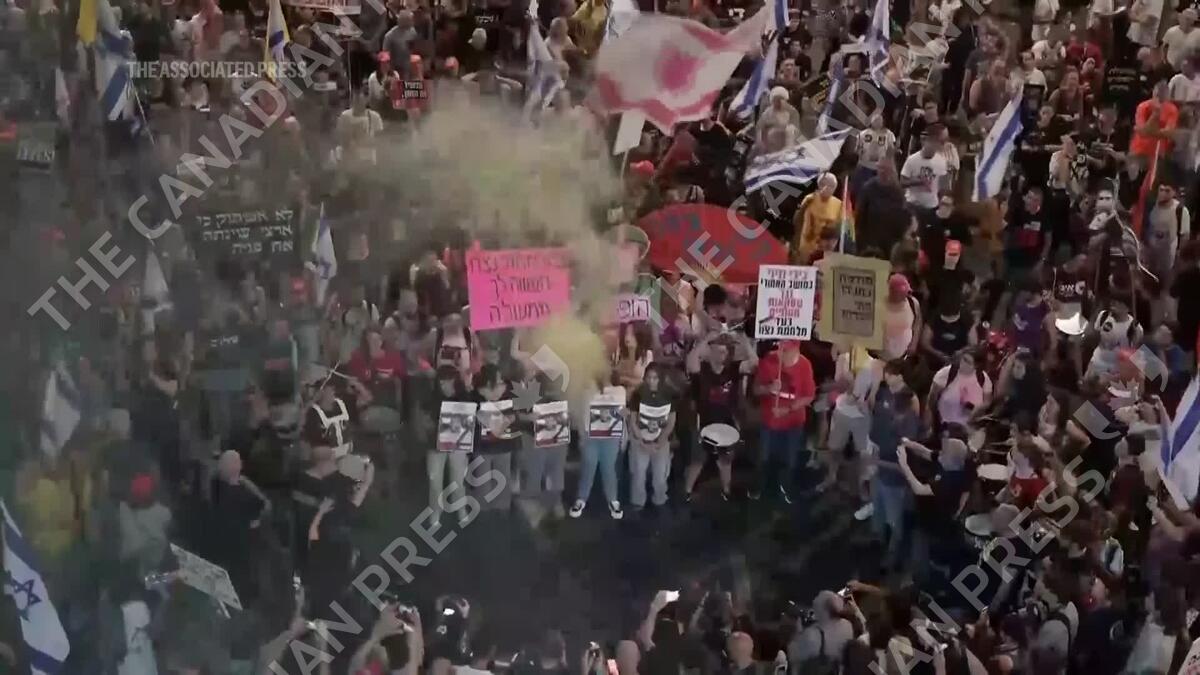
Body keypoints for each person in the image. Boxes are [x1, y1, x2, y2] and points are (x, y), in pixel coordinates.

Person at [683, 333, 754, 502]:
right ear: (711, 351)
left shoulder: (733, 368)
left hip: (726, 422)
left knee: (725, 461)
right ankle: (687, 491)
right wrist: (706, 339)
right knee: (698, 460)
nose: (722, 355)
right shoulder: (703, 368)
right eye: (718, 351)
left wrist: (745, 343)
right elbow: (690, 362)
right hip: (703, 421)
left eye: (725, 351)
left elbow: (754, 363)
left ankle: (726, 491)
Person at [897, 432, 971, 583]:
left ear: (950, 459)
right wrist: (908, 442)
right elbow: (926, 452)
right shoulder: (950, 463)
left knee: (925, 552)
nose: (940, 452)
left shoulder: (949, 481)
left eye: (944, 452)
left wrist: (904, 465)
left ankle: (925, 580)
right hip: (928, 514)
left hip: (935, 523)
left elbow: (919, 489)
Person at [869, 364, 921, 573]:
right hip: (880, 470)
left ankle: (893, 556)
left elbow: (903, 462)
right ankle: (878, 542)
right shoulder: (885, 401)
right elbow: (876, 428)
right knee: (879, 512)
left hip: (894, 479)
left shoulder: (908, 418)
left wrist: (875, 462)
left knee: (895, 521)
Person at [752, 340, 815, 504]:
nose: (780, 353)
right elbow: (755, 389)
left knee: (790, 459)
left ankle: (785, 487)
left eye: (785, 350)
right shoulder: (768, 360)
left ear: (796, 350)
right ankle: (761, 487)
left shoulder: (805, 365)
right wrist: (769, 388)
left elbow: (809, 396)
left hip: (793, 424)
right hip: (769, 421)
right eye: (780, 348)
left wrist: (787, 409)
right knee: (764, 457)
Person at [570, 375, 625, 519]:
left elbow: (622, 414)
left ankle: (613, 500)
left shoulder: (619, 391)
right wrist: (582, 436)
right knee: (588, 467)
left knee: (609, 469)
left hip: (611, 436)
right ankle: (581, 499)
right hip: (591, 436)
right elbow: (582, 413)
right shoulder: (588, 389)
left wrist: (622, 437)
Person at [473, 364, 520, 514]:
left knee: (503, 478)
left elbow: (514, 413)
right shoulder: (476, 395)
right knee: (483, 483)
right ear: (489, 382)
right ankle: (483, 511)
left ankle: (502, 508)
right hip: (482, 446)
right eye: (498, 380)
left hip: (504, 444)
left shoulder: (507, 394)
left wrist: (511, 418)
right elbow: (473, 417)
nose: (501, 383)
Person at [628, 363, 675, 512]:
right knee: (638, 473)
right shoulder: (638, 394)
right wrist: (641, 441)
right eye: (649, 377)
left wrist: (661, 440)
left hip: (661, 441)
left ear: (660, 378)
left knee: (660, 475)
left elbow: (671, 421)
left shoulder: (669, 394)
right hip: (640, 440)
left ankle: (659, 498)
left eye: (655, 378)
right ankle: (638, 501)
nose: (651, 381)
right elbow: (633, 420)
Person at [927, 347, 993, 429]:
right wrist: (931, 425)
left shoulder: (983, 378)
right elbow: (931, 400)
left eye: (967, 362)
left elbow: (987, 402)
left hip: (969, 428)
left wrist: (978, 410)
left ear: (976, 365)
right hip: (944, 426)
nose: (963, 363)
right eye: (963, 359)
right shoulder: (946, 373)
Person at [792, 173, 843, 262]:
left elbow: (839, 226)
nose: (827, 188)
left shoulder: (838, 204)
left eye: (832, 186)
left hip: (827, 247)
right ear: (819, 185)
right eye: (824, 184)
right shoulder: (809, 199)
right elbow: (798, 220)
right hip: (808, 245)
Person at [900, 128, 949, 213]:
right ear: (925, 142)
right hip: (912, 205)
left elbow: (944, 185)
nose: (933, 146)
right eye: (931, 142)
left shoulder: (942, 162)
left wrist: (940, 201)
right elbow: (902, 182)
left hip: (931, 206)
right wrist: (917, 182)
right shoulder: (912, 159)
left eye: (936, 143)